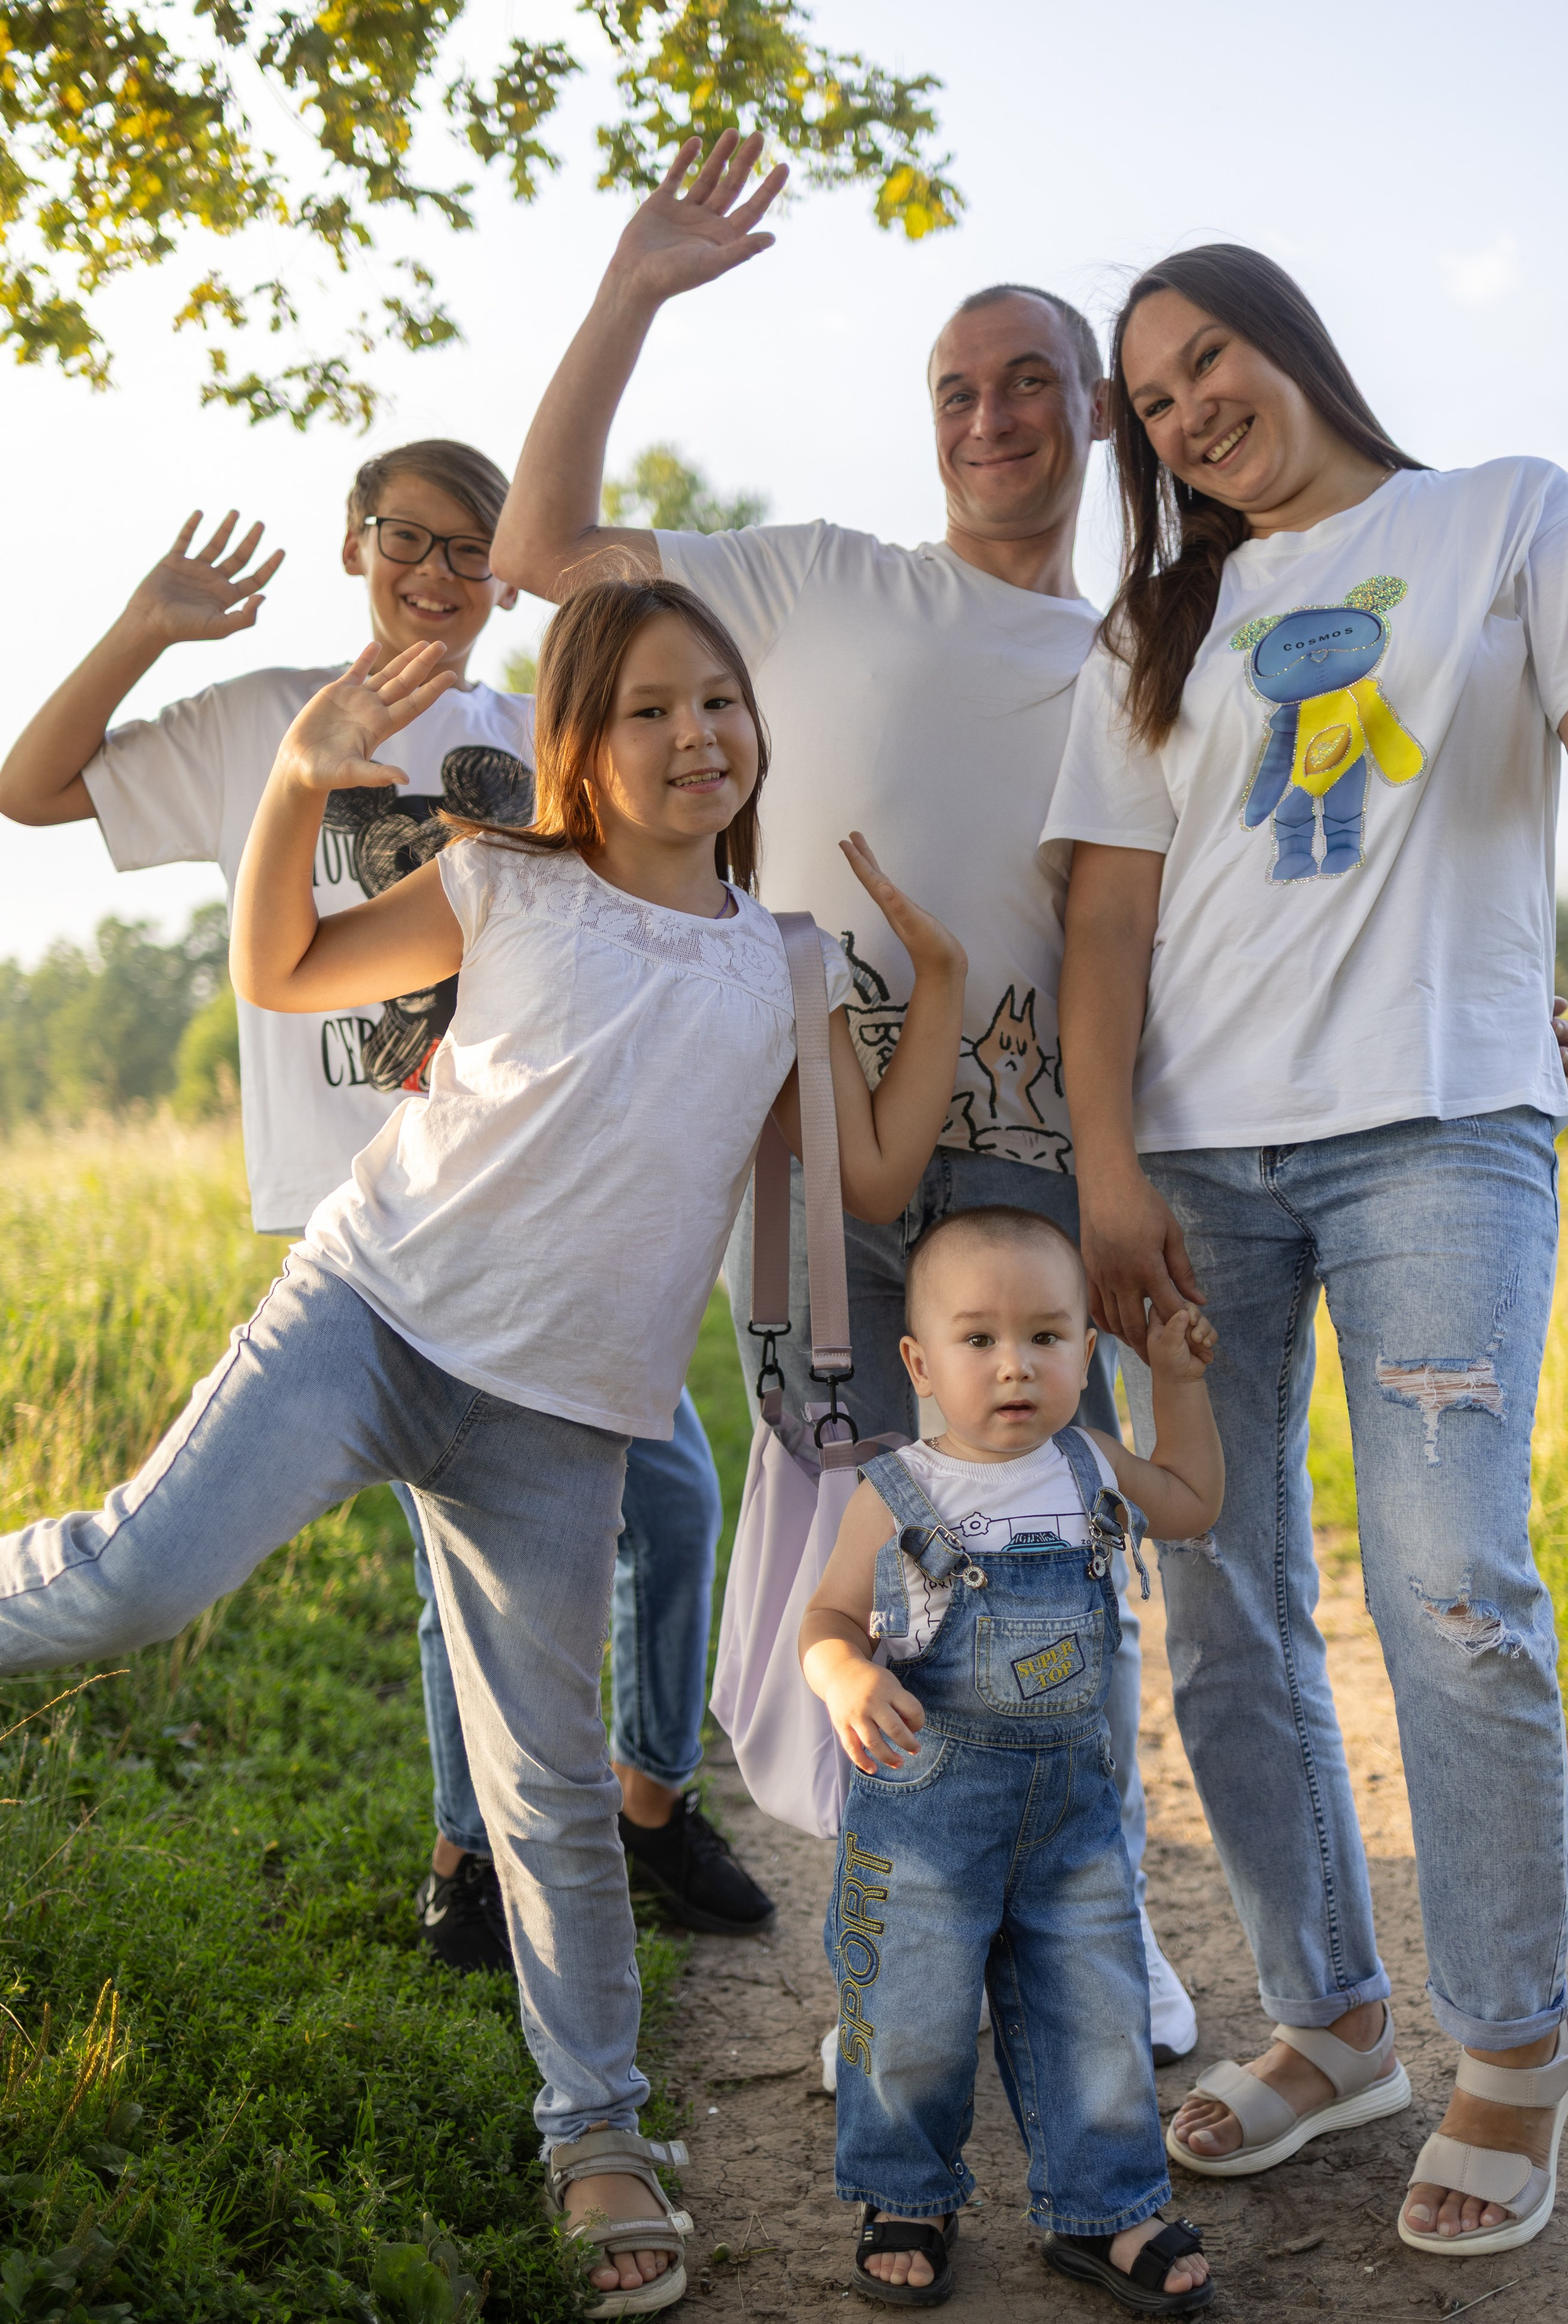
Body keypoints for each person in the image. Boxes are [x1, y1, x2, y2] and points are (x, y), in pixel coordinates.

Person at [0, 575, 969, 2314]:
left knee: (549, 1790)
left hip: (564, 1418)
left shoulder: (787, 960)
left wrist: (948, 980)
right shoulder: (507, 882)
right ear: (575, 750)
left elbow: (873, 1181)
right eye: (650, 710)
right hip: (368, 1321)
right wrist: (303, 773)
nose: (698, 738)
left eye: (720, 702)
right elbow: (286, 967)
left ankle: (599, 2139)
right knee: (129, 1584)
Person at [491, 129, 1199, 2060]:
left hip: (1029, 1164)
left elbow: (1197, 924)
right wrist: (631, 288)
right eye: (956, 389)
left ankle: (1097, 1925)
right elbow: (543, 554)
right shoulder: (811, 581)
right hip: (803, 1146)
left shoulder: (1144, 651)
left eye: (1029, 379)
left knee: (1043, 1548)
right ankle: (897, 1933)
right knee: (861, 1570)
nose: (989, 416)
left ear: (1099, 420)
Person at [0, 447, 773, 1970]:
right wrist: (150, 626)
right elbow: (29, 791)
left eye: (472, 551)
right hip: (366, 1216)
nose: (436, 572)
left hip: (519, 1190)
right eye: (407, 539)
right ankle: (469, 1858)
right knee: (438, 1564)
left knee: (670, 1500)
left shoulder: (524, 732)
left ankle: (644, 1802)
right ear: (354, 542)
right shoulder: (266, 714)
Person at [1048, 243, 1568, 2256]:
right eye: (1150, 398)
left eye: (1205, 356)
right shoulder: (1161, 622)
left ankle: (1510, 2042)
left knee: (1451, 1582)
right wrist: (1105, 1168)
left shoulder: (1507, 516)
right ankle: (1335, 2020)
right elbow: (1106, 926)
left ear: (1284, 338)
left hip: (1442, 1132)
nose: (1186, 407)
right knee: (1223, 1597)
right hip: (1197, 1166)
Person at [800, 1207, 1221, 2312]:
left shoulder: (1087, 1463)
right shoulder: (899, 1492)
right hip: (927, 1813)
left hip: (1070, 1820)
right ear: (920, 1363)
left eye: (1046, 1336)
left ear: (1087, 1351)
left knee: (1096, 2003)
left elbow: (1190, 1503)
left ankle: (1107, 2206)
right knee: (911, 2013)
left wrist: (1175, 1384)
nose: (1014, 1366)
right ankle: (907, 2192)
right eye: (978, 1339)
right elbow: (830, 1619)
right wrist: (847, 1675)